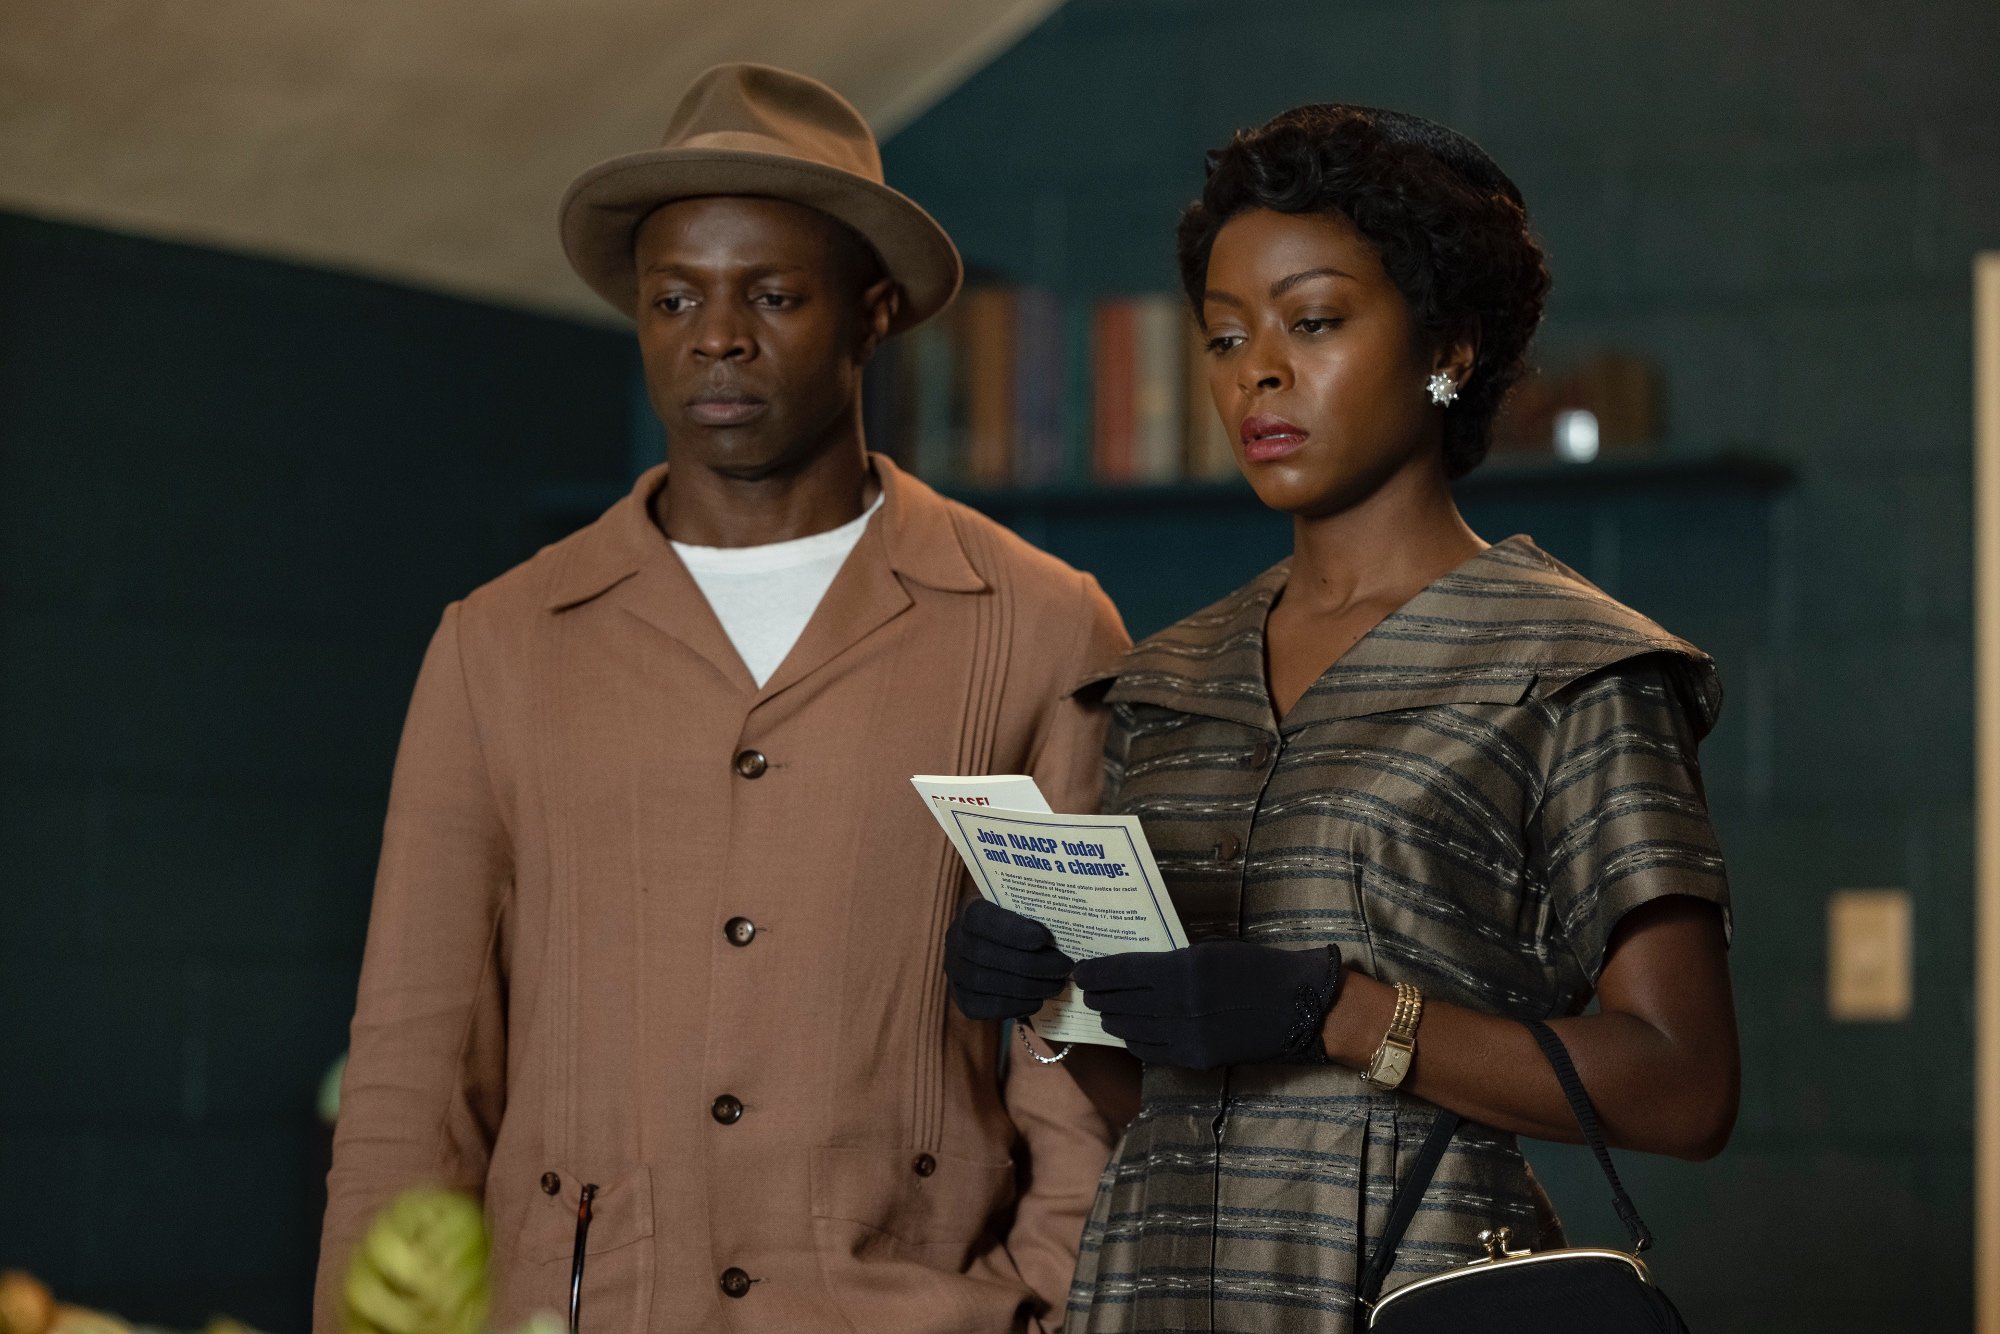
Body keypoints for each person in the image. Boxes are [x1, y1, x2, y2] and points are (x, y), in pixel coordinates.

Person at [316, 64, 1129, 1333]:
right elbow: (414, 1065)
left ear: (869, 314)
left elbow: (1082, 1036)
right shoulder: (499, 640)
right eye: (676, 297)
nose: (718, 335)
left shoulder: (1039, 624)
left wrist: (1052, 1310)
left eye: (773, 294)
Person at [941, 104, 1739, 1332]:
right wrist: (1049, 1002)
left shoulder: (1572, 667)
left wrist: (1338, 1008)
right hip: (1152, 1289)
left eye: (1311, 322)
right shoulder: (1162, 682)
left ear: (1449, 348)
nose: (1254, 369)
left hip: (1418, 1291)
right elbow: (1153, 1097)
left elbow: (1684, 1089)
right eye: (1221, 334)